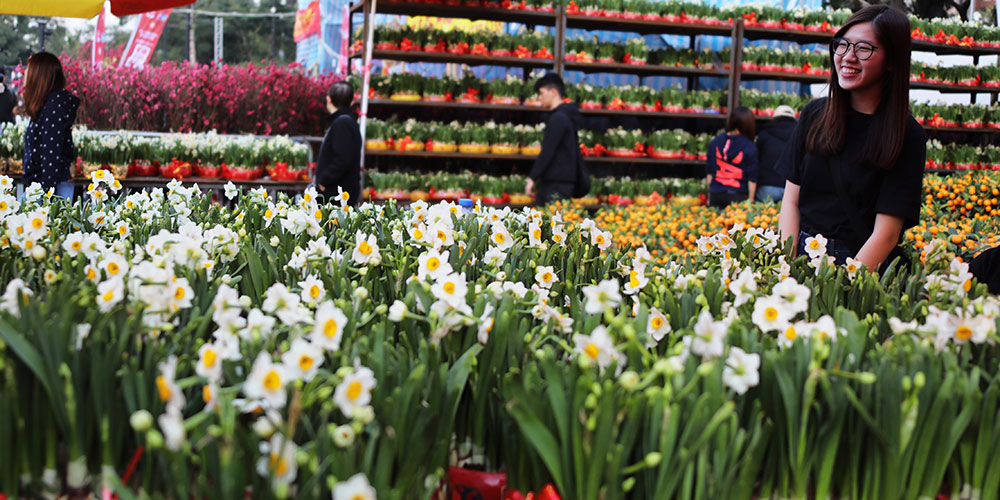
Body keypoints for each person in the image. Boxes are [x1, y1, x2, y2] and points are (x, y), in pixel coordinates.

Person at [777, 5, 926, 271]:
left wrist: (845, 285)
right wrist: (787, 268)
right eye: (842, 45)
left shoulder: (906, 135)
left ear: (892, 60)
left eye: (864, 48)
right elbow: (790, 201)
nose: (848, 57)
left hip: (860, 265)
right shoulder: (814, 115)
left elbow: (887, 234)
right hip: (803, 256)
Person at [22, 52, 78, 199]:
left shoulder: (54, 106)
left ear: (39, 74)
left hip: (47, 188)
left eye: (28, 69)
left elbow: (51, 155)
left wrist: (45, 198)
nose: (25, 73)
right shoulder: (46, 105)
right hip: (41, 185)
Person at [526, 73, 585, 205]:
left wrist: (532, 179)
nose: (540, 98)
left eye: (541, 93)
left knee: (550, 222)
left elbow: (548, 151)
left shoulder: (559, 118)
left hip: (556, 184)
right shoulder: (566, 115)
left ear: (553, 92)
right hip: (562, 182)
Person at [316, 80, 361, 207]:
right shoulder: (347, 121)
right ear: (351, 102)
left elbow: (343, 159)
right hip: (338, 190)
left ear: (328, 99)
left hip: (337, 192)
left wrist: (324, 180)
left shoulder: (342, 123)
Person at [705, 106, 758, 207]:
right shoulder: (749, 146)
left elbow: (710, 171)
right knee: (735, 223)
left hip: (716, 193)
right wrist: (751, 200)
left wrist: (710, 195)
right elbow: (752, 177)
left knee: (713, 222)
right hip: (737, 195)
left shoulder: (716, 141)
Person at [754, 104, 797, 202]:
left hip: (766, 187)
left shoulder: (764, 134)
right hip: (790, 189)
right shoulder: (799, 136)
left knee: (763, 216)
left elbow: (756, 161)